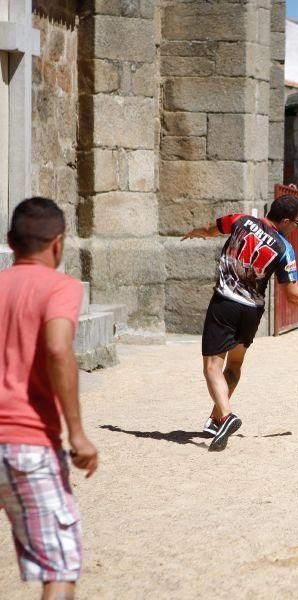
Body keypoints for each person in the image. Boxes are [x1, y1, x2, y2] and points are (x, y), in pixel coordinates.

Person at [181, 195, 298, 451]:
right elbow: (292, 294)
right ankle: (216, 419)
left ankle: (226, 416)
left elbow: (209, 229)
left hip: (225, 303)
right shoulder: (284, 249)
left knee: (212, 367)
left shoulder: (240, 220)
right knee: (235, 365)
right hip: (251, 311)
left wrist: (196, 233)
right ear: (284, 221)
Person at [1, 197, 99, 599]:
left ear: (11, 241)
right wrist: (76, 433)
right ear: (58, 244)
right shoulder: (60, 286)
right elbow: (58, 349)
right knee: (59, 565)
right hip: (27, 443)